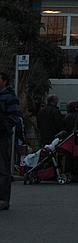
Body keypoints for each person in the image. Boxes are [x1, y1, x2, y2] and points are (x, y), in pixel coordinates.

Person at [0, 72, 21, 211]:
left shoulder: (9, 97)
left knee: (2, 168)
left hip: (2, 136)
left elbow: (14, 116)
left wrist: (5, 127)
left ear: (5, 81)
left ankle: (3, 199)